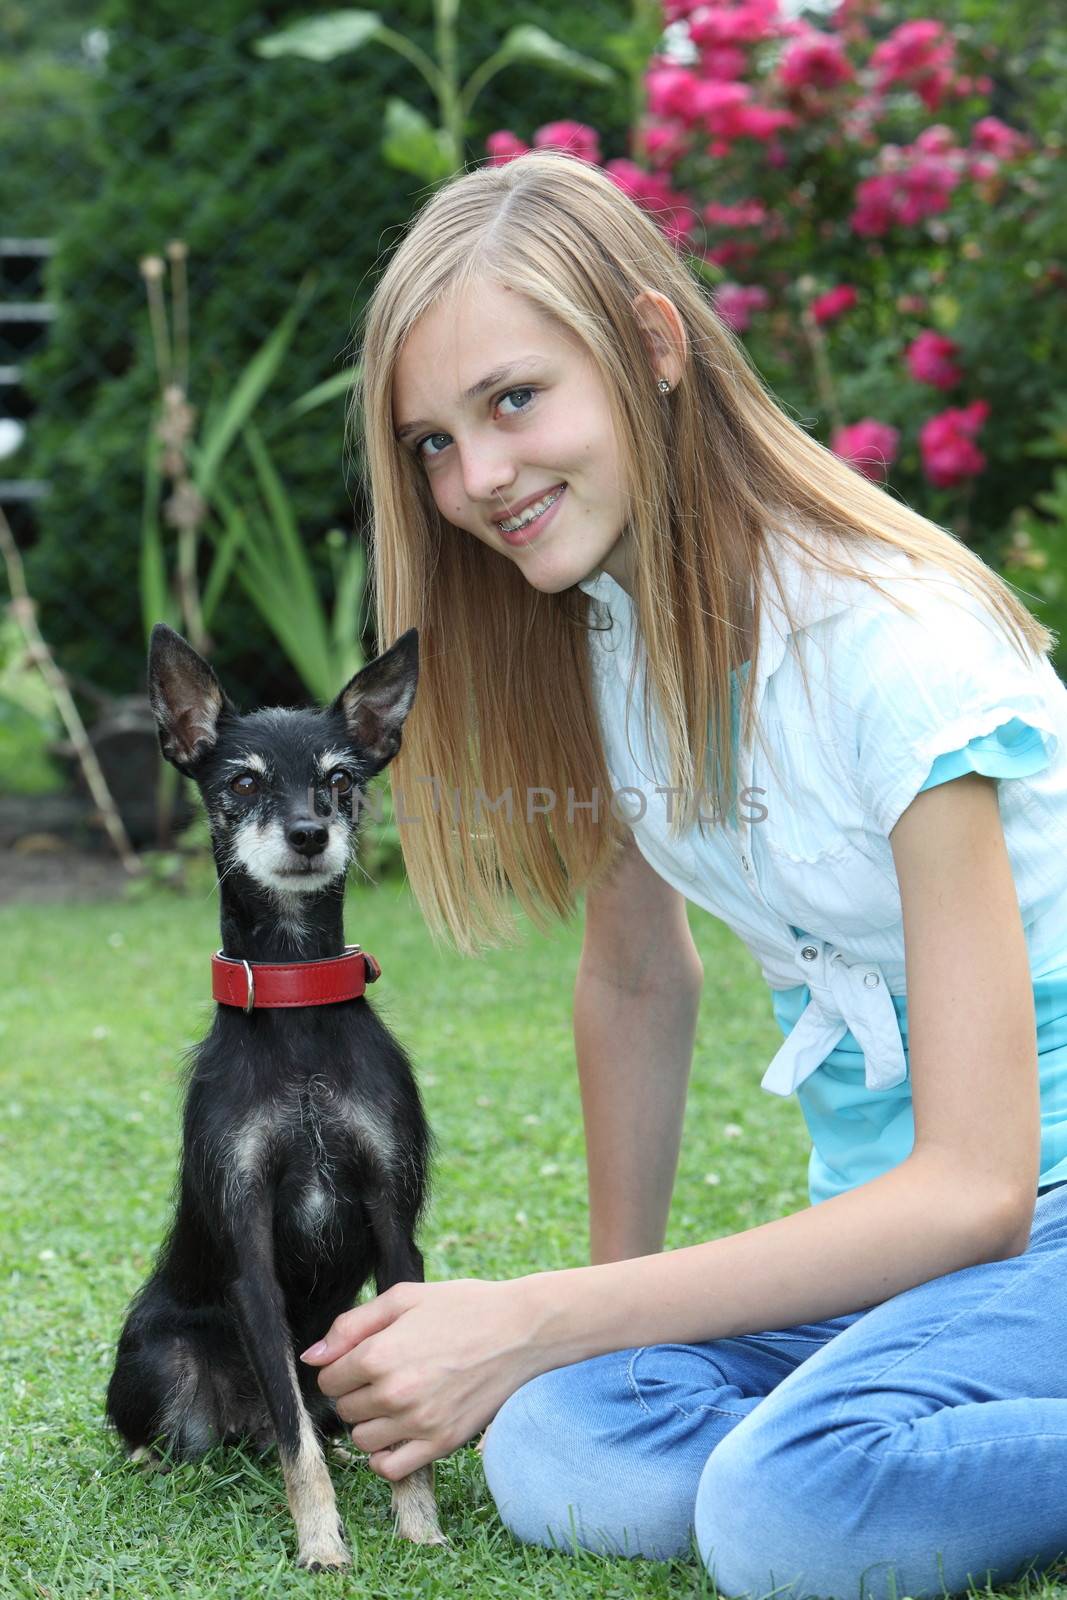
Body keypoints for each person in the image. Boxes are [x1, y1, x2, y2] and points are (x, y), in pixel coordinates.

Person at [299, 150, 1067, 1597]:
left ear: (654, 347)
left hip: (1028, 1207)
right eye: (432, 444)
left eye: (514, 400)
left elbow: (980, 1190)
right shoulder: (604, 637)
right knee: (560, 1451)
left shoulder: (896, 649)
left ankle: (851, 1448)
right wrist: (591, 1333)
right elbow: (638, 973)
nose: (477, 480)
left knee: (787, 1516)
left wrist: (538, 1312)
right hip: (895, 1235)